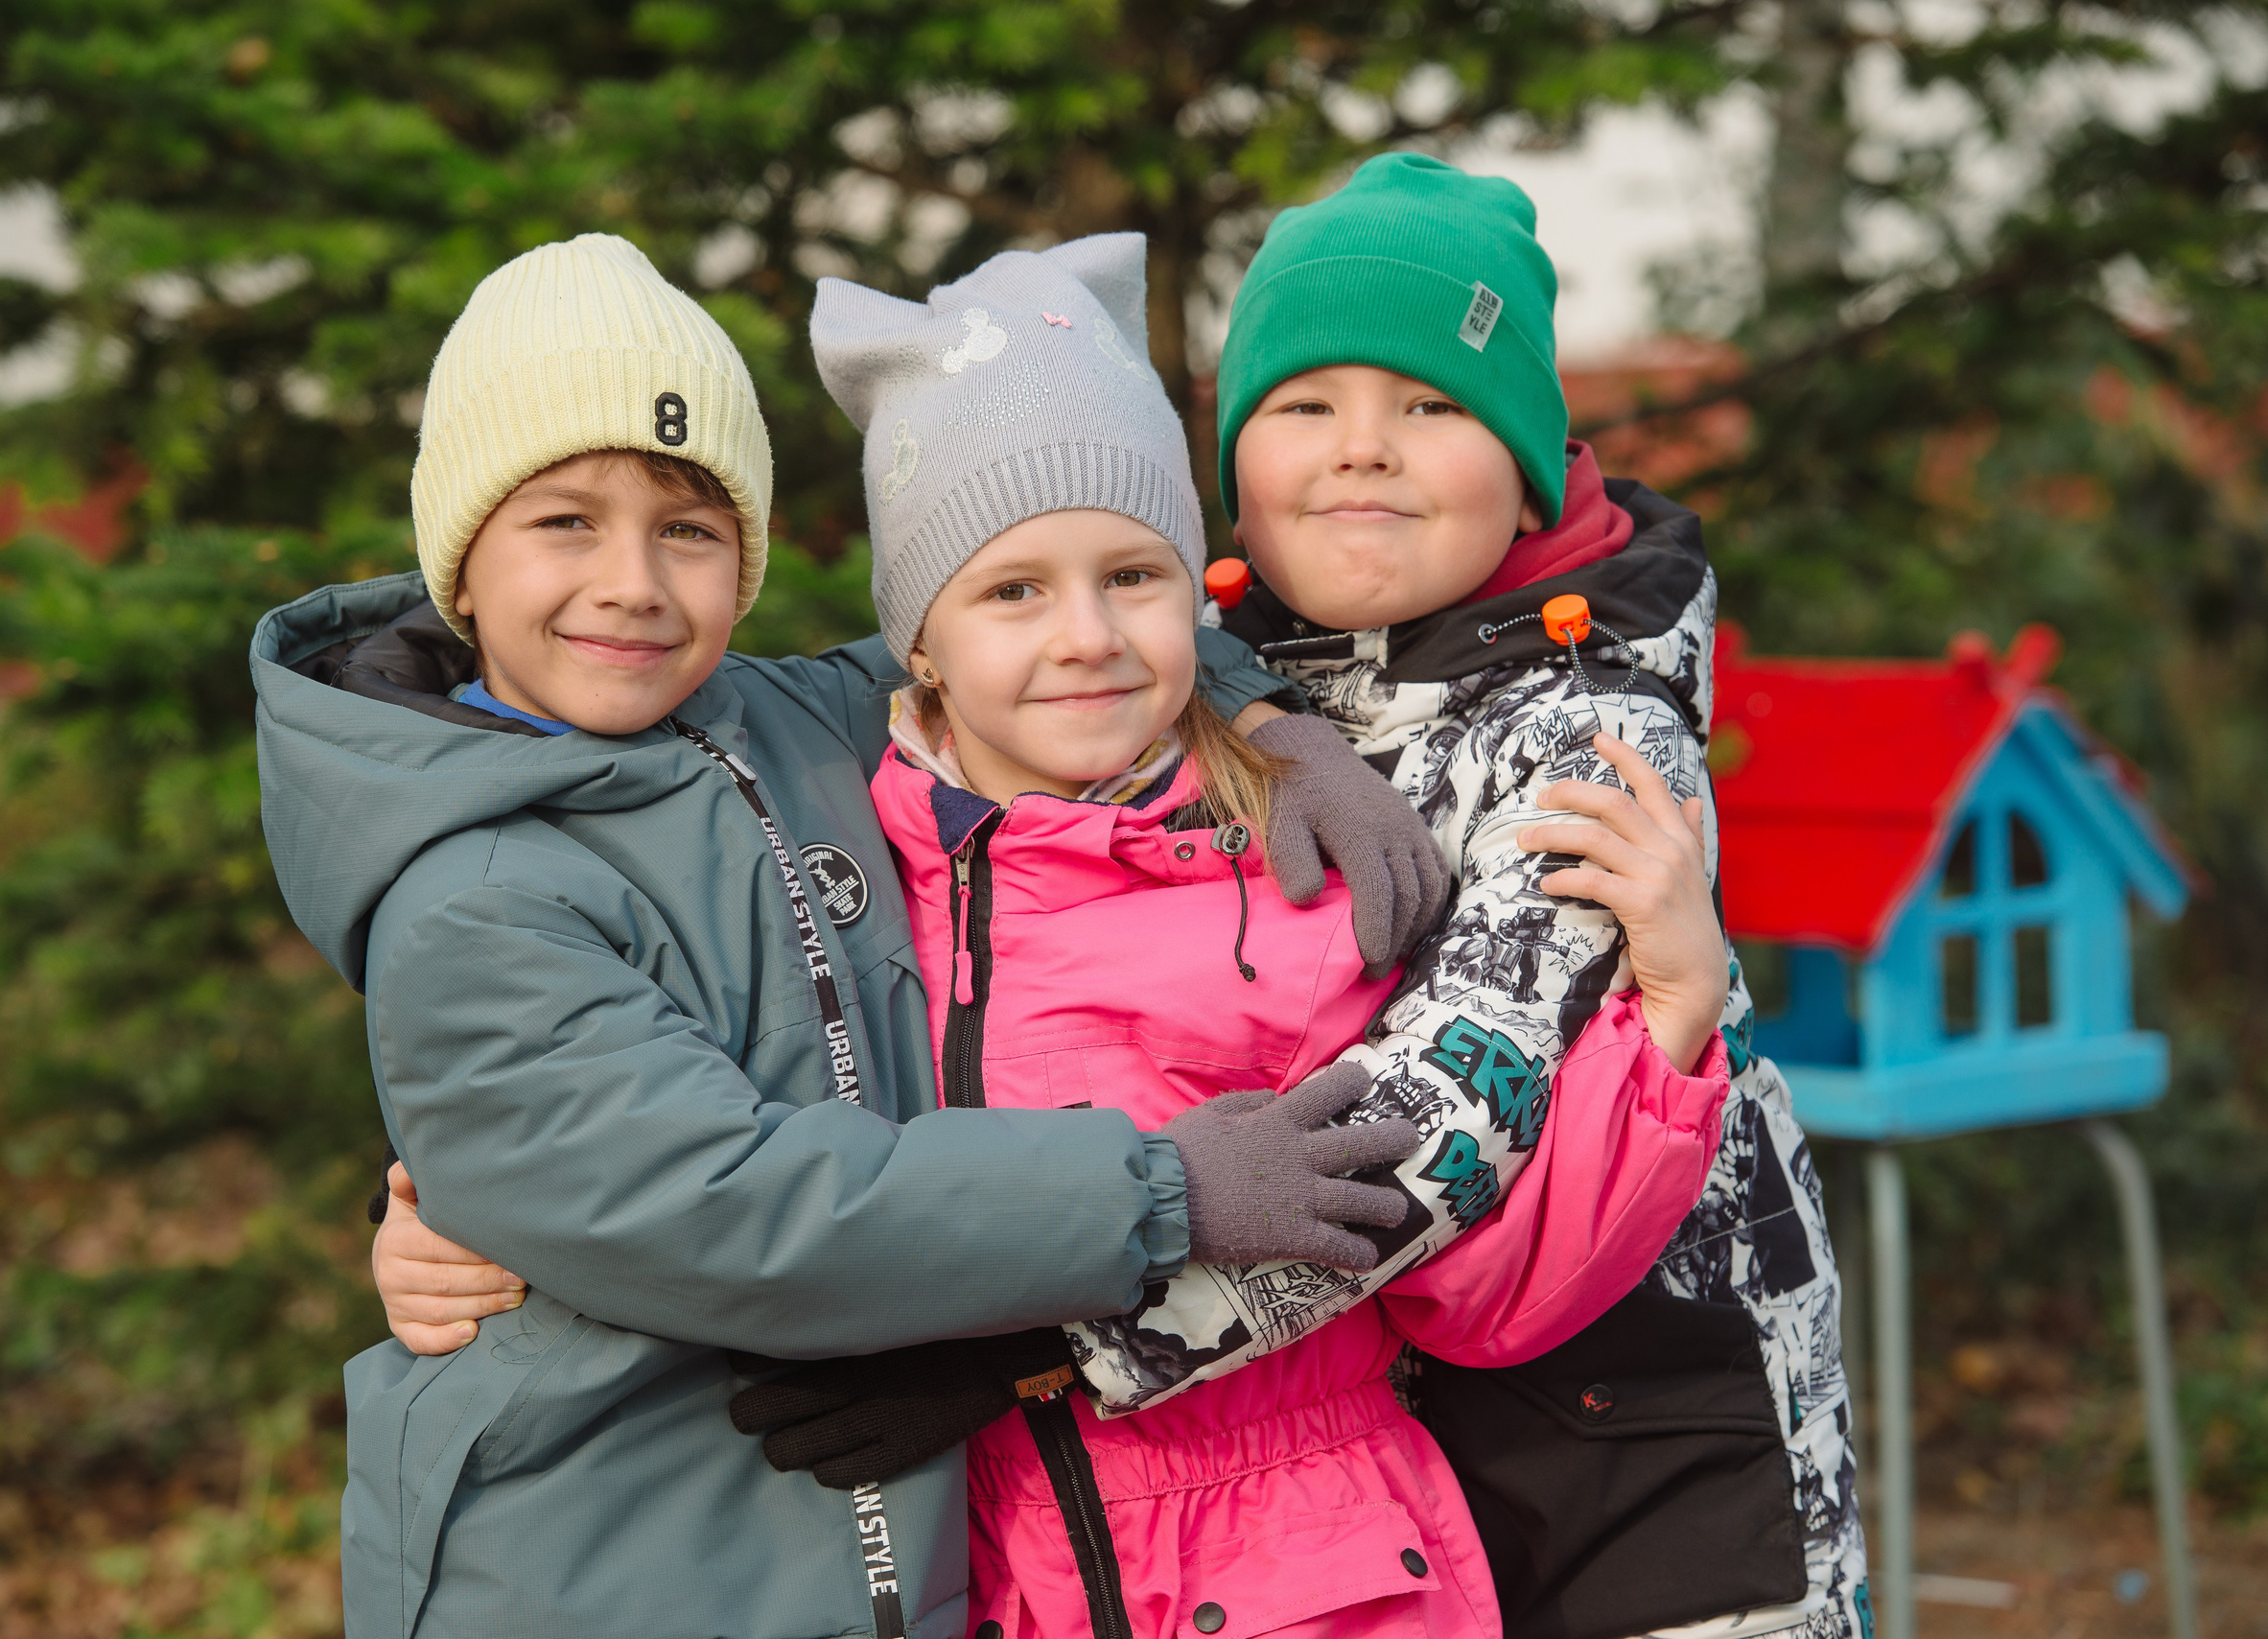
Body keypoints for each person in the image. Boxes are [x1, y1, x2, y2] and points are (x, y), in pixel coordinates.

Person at [376, 236, 1739, 1639]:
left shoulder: (1286, 878)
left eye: (686, 530)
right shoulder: (845, 836)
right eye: (561, 524)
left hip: (1305, 1572)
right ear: (919, 644)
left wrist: (1667, 1027)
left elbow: (1473, 1278)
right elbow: (702, 1138)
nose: (632, 585)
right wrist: (462, 1181)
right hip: (968, 1562)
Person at [1207, 152, 1865, 1639]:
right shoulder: (1201, 696)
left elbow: (1432, 1120)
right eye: (1305, 405)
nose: (1362, 449)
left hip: (1653, 1460)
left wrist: (1040, 1327)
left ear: (1527, 464)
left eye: (1433, 407)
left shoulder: (1597, 731)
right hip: (1363, 1452)